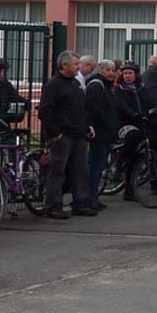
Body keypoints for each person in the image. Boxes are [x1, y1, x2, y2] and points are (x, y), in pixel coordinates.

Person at [37, 50, 96, 219]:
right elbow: (44, 110)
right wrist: (55, 133)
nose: (78, 68)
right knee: (57, 171)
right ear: (64, 65)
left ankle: (81, 202)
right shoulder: (53, 85)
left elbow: (83, 108)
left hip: (78, 134)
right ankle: (53, 205)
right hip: (63, 135)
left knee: (80, 170)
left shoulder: (75, 84)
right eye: (75, 64)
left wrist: (88, 125)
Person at [84, 60, 120, 211]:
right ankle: (89, 198)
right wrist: (106, 126)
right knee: (95, 167)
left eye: (113, 70)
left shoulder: (105, 86)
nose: (111, 73)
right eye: (108, 70)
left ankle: (93, 198)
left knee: (98, 167)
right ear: (100, 70)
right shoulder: (97, 86)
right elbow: (96, 110)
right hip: (99, 134)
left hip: (105, 133)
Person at [113, 60, 149, 202]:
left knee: (136, 157)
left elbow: (148, 102)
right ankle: (120, 162)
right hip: (124, 123)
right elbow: (121, 105)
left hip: (140, 122)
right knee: (133, 137)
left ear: (136, 75)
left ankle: (129, 190)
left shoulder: (141, 88)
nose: (128, 76)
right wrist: (132, 113)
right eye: (125, 73)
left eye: (130, 73)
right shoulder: (119, 89)